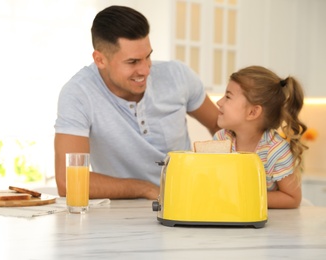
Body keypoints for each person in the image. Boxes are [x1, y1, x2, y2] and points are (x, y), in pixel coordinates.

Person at [54, 5, 220, 200]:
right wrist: (146, 189)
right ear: (100, 59)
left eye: (147, 56)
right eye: (132, 62)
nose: (145, 70)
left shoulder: (178, 76)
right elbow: (68, 181)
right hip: (119, 214)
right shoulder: (78, 94)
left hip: (187, 200)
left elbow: (221, 126)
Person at [213, 65, 308, 208]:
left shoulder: (275, 150)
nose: (219, 102)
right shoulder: (221, 139)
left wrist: (245, 198)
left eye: (228, 97)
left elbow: (292, 198)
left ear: (252, 112)